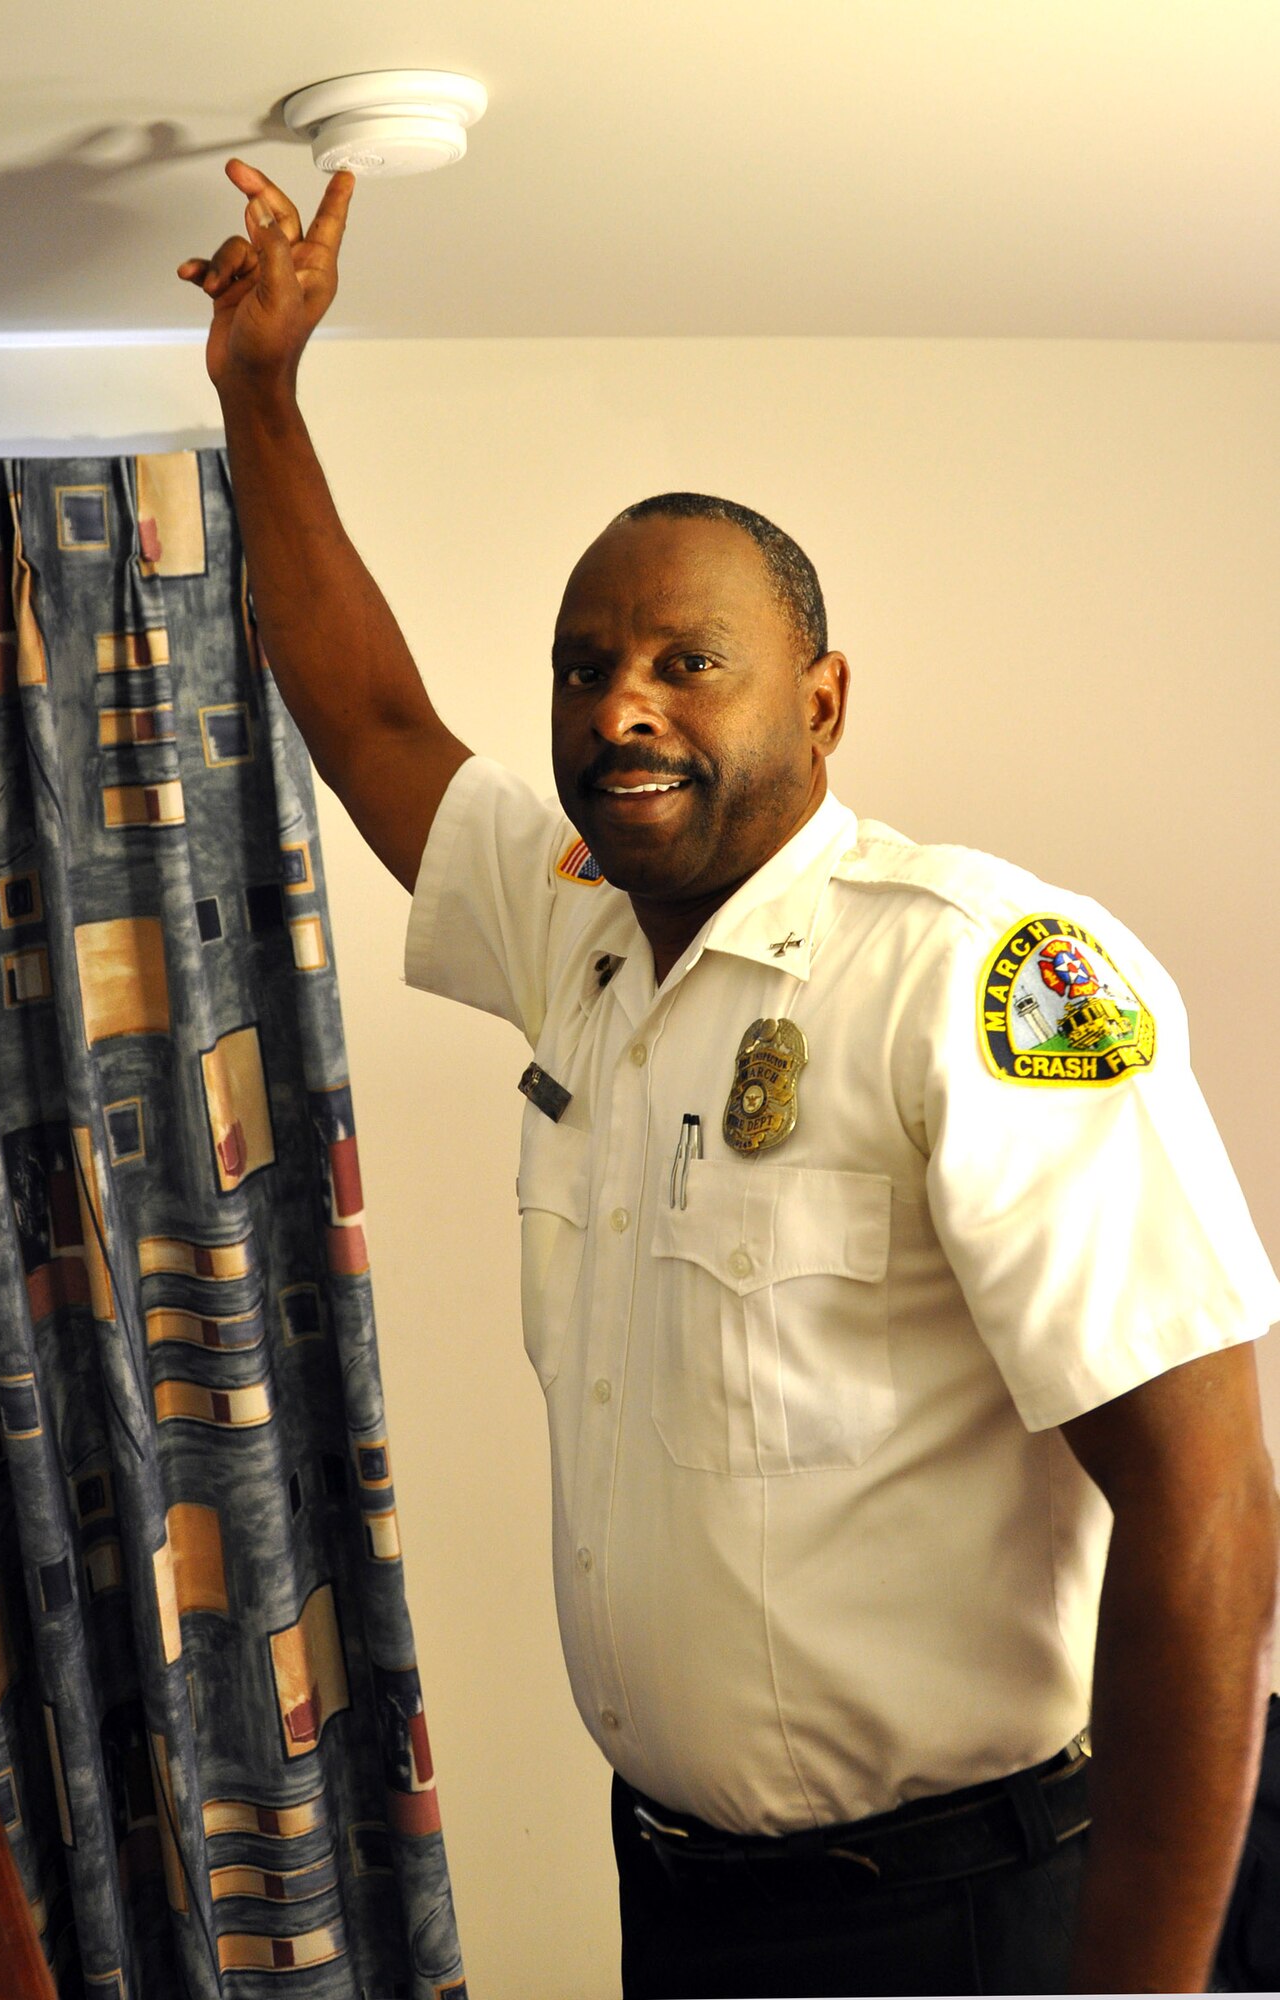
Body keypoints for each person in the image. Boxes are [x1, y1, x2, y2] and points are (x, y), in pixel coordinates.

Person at [179, 161, 1280, 1996]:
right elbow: (375, 725)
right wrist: (259, 401)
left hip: (966, 1912)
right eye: (585, 667)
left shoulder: (978, 974)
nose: (622, 706)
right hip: (687, 1900)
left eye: (690, 663)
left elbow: (1211, 1504)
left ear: (822, 701)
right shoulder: (585, 941)